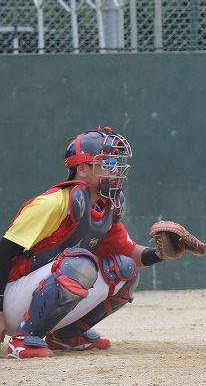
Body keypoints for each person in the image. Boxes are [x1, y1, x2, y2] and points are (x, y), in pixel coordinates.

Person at [2, 127, 170, 358]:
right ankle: (23, 341)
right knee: (79, 264)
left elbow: (132, 254)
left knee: (125, 271)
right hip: (10, 297)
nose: (115, 169)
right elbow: (3, 252)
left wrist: (163, 252)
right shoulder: (52, 203)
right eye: (107, 162)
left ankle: (67, 337)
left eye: (115, 162)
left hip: (37, 294)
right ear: (82, 169)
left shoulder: (104, 207)